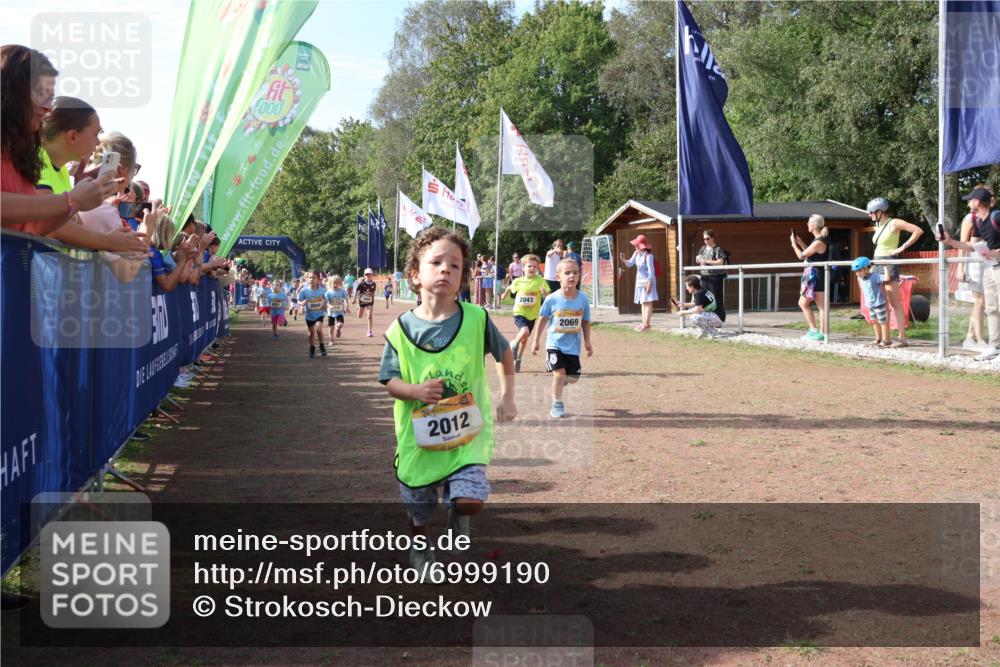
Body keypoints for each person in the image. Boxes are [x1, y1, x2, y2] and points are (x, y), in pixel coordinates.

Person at [378, 227, 515, 572]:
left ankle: (459, 512)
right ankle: (421, 550)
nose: (445, 270)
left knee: (470, 500)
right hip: (418, 439)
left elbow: (505, 354)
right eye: (436, 262)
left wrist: (507, 397)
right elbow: (389, 380)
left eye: (455, 266)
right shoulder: (400, 329)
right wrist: (414, 392)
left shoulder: (477, 319)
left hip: (466, 436)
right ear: (414, 274)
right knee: (419, 509)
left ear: (464, 279)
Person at [1, 45, 118, 234]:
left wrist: (77, 201)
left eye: (50, 98)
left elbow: (31, 228)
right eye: (40, 93)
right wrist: (70, 200)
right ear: (11, 90)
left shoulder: (21, 155)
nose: (48, 107)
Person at [35, 97, 148, 254]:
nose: (98, 143)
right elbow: (50, 226)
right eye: (95, 134)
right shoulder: (38, 161)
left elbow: (73, 225)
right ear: (73, 136)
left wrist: (89, 198)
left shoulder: (61, 172)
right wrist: (108, 241)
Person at [941, 186, 1000, 361]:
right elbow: (970, 246)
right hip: (990, 268)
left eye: (970, 199)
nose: (968, 202)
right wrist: (949, 240)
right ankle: (995, 347)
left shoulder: (996, 216)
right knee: (991, 308)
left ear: (978, 202)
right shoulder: (977, 221)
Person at [532, 257, 593, 419]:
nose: (572, 276)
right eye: (567, 273)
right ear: (558, 277)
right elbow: (543, 318)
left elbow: (586, 322)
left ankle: (562, 379)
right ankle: (557, 403)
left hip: (572, 347)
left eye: (575, 273)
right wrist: (536, 340)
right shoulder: (552, 299)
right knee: (559, 374)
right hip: (555, 345)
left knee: (572, 379)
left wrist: (587, 341)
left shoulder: (583, 299)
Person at [866, 197, 924, 347]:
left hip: (889, 262)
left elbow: (918, 231)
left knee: (895, 302)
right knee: (881, 302)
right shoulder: (879, 224)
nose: (870, 215)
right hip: (877, 262)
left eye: (872, 212)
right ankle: (885, 338)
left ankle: (902, 339)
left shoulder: (894, 223)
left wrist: (902, 248)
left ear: (880, 211)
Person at [957, 184, 994, 351]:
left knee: (982, 302)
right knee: (980, 301)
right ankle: (978, 340)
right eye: (989, 195)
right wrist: (960, 268)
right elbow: (963, 245)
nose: (992, 198)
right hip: (974, 262)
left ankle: (970, 338)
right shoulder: (970, 218)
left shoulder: (990, 216)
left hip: (987, 261)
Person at [500, 254, 549, 372]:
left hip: (532, 315)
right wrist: (504, 295)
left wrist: (544, 293)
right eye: (529, 266)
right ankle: (513, 344)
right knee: (524, 331)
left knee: (525, 338)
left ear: (537, 269)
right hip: (519, 312)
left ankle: (518, 359)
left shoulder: (540, 280)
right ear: (523, 268)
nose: (532, 268)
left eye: (535, 267)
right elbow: (509, 288)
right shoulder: (518, 281)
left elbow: (549, 296)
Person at [790, 214, 831, 341]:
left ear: (813, 225)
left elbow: (802, 256)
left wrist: (793, 244)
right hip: (812, 275)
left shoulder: (819, 241)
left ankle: (822, 333)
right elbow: (810, 254)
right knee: (803, 303)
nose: (807, 225)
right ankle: (813, 330)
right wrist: (800, 242)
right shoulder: (817, 240)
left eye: (808, 223)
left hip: (818, 276)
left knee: (822, 306)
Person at [619, 234, 658, 332]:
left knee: (648, 302)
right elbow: (630, 264)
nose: (635, 246)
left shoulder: (649, 256)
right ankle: (643, 323)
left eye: (637, 244)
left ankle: (647, 324)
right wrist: (623, 260)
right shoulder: (636, 253)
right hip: (640, 281)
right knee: (643, 302)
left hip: (648, 280)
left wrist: (650, 283)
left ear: (642, 246)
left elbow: (651, 271)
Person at [851, 257, 890, 347]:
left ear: (866, 268)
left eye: (859, 270)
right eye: (856, 271)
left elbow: (887, 278)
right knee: (874, 321)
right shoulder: (859, 278)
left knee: (882, 321)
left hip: (879, 303)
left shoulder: (875, 276)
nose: (858, 273)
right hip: (870, 304)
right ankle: (878, 338)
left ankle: (886, 340)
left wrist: (885, 266)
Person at [695, 229, 728, 316]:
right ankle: (707, 318)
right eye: (704, 239)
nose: (705, 241)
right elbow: (698, 259)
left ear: (712, 238)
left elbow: (720, 262)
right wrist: (698, 259)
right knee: (705, 297)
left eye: (707, 238)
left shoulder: (717, 249)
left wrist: (706, 261)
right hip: (704, 276)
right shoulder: (702, 248)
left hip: (715, 277)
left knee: (716, 298)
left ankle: (718, 318)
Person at [297, 271, 328, 357]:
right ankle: (312, 347)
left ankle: (321, 346)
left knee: (318, 329)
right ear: (307, 279)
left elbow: (326, 300)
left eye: (314, 278)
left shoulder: (322, 290)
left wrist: (324, 303)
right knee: (311, 334)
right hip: (309, 315)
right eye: (310, 277)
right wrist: (302, 303)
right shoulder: (304, 291)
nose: (311, 279)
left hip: (319, 314)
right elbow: (299, 301)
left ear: (318, 279)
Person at [325, 275, 350, 344]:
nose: (335, 284)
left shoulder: (342, 291)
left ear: (340, 284)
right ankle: (331, 339)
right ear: (330, 283)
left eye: (337, 283)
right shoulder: (328, 293)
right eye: (334, 283)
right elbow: (325, 302)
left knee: (340, 324)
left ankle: (338, 328)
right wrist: (329, 305)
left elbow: (346, 299)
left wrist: (347, 306)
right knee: (331, 327)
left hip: (340, 312)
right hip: (331, 312)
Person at [353, 268, 378, 337]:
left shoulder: (374, 284)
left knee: (369, 316)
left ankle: (369, 331)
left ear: (372, 275)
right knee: (360, 316)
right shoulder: (362, 283)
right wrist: (354, 299)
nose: (368, 275)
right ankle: (358, 307)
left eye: (369, 274)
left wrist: (373, 300)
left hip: (370, 301)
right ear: (364, 275)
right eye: (366, 274)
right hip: (362, 301)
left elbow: (373, 292)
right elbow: (357, 291)